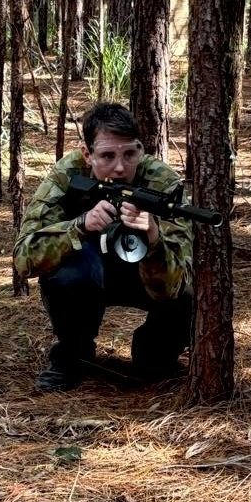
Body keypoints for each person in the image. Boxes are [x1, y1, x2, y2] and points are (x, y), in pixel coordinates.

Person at [13, 102, 194, 392]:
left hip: (145, 275)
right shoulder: (68, 174)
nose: (120, 167)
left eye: (130, 154)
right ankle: (72, 355)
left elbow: (175, 286)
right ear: (87, 153)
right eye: (107, 156)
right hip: (89, 274)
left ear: (140, 149)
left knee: (194, 291)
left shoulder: (163, 183)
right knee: (68, 275)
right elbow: (24, 259)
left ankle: (155, 354)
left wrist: (153, 236)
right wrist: (79, 226)